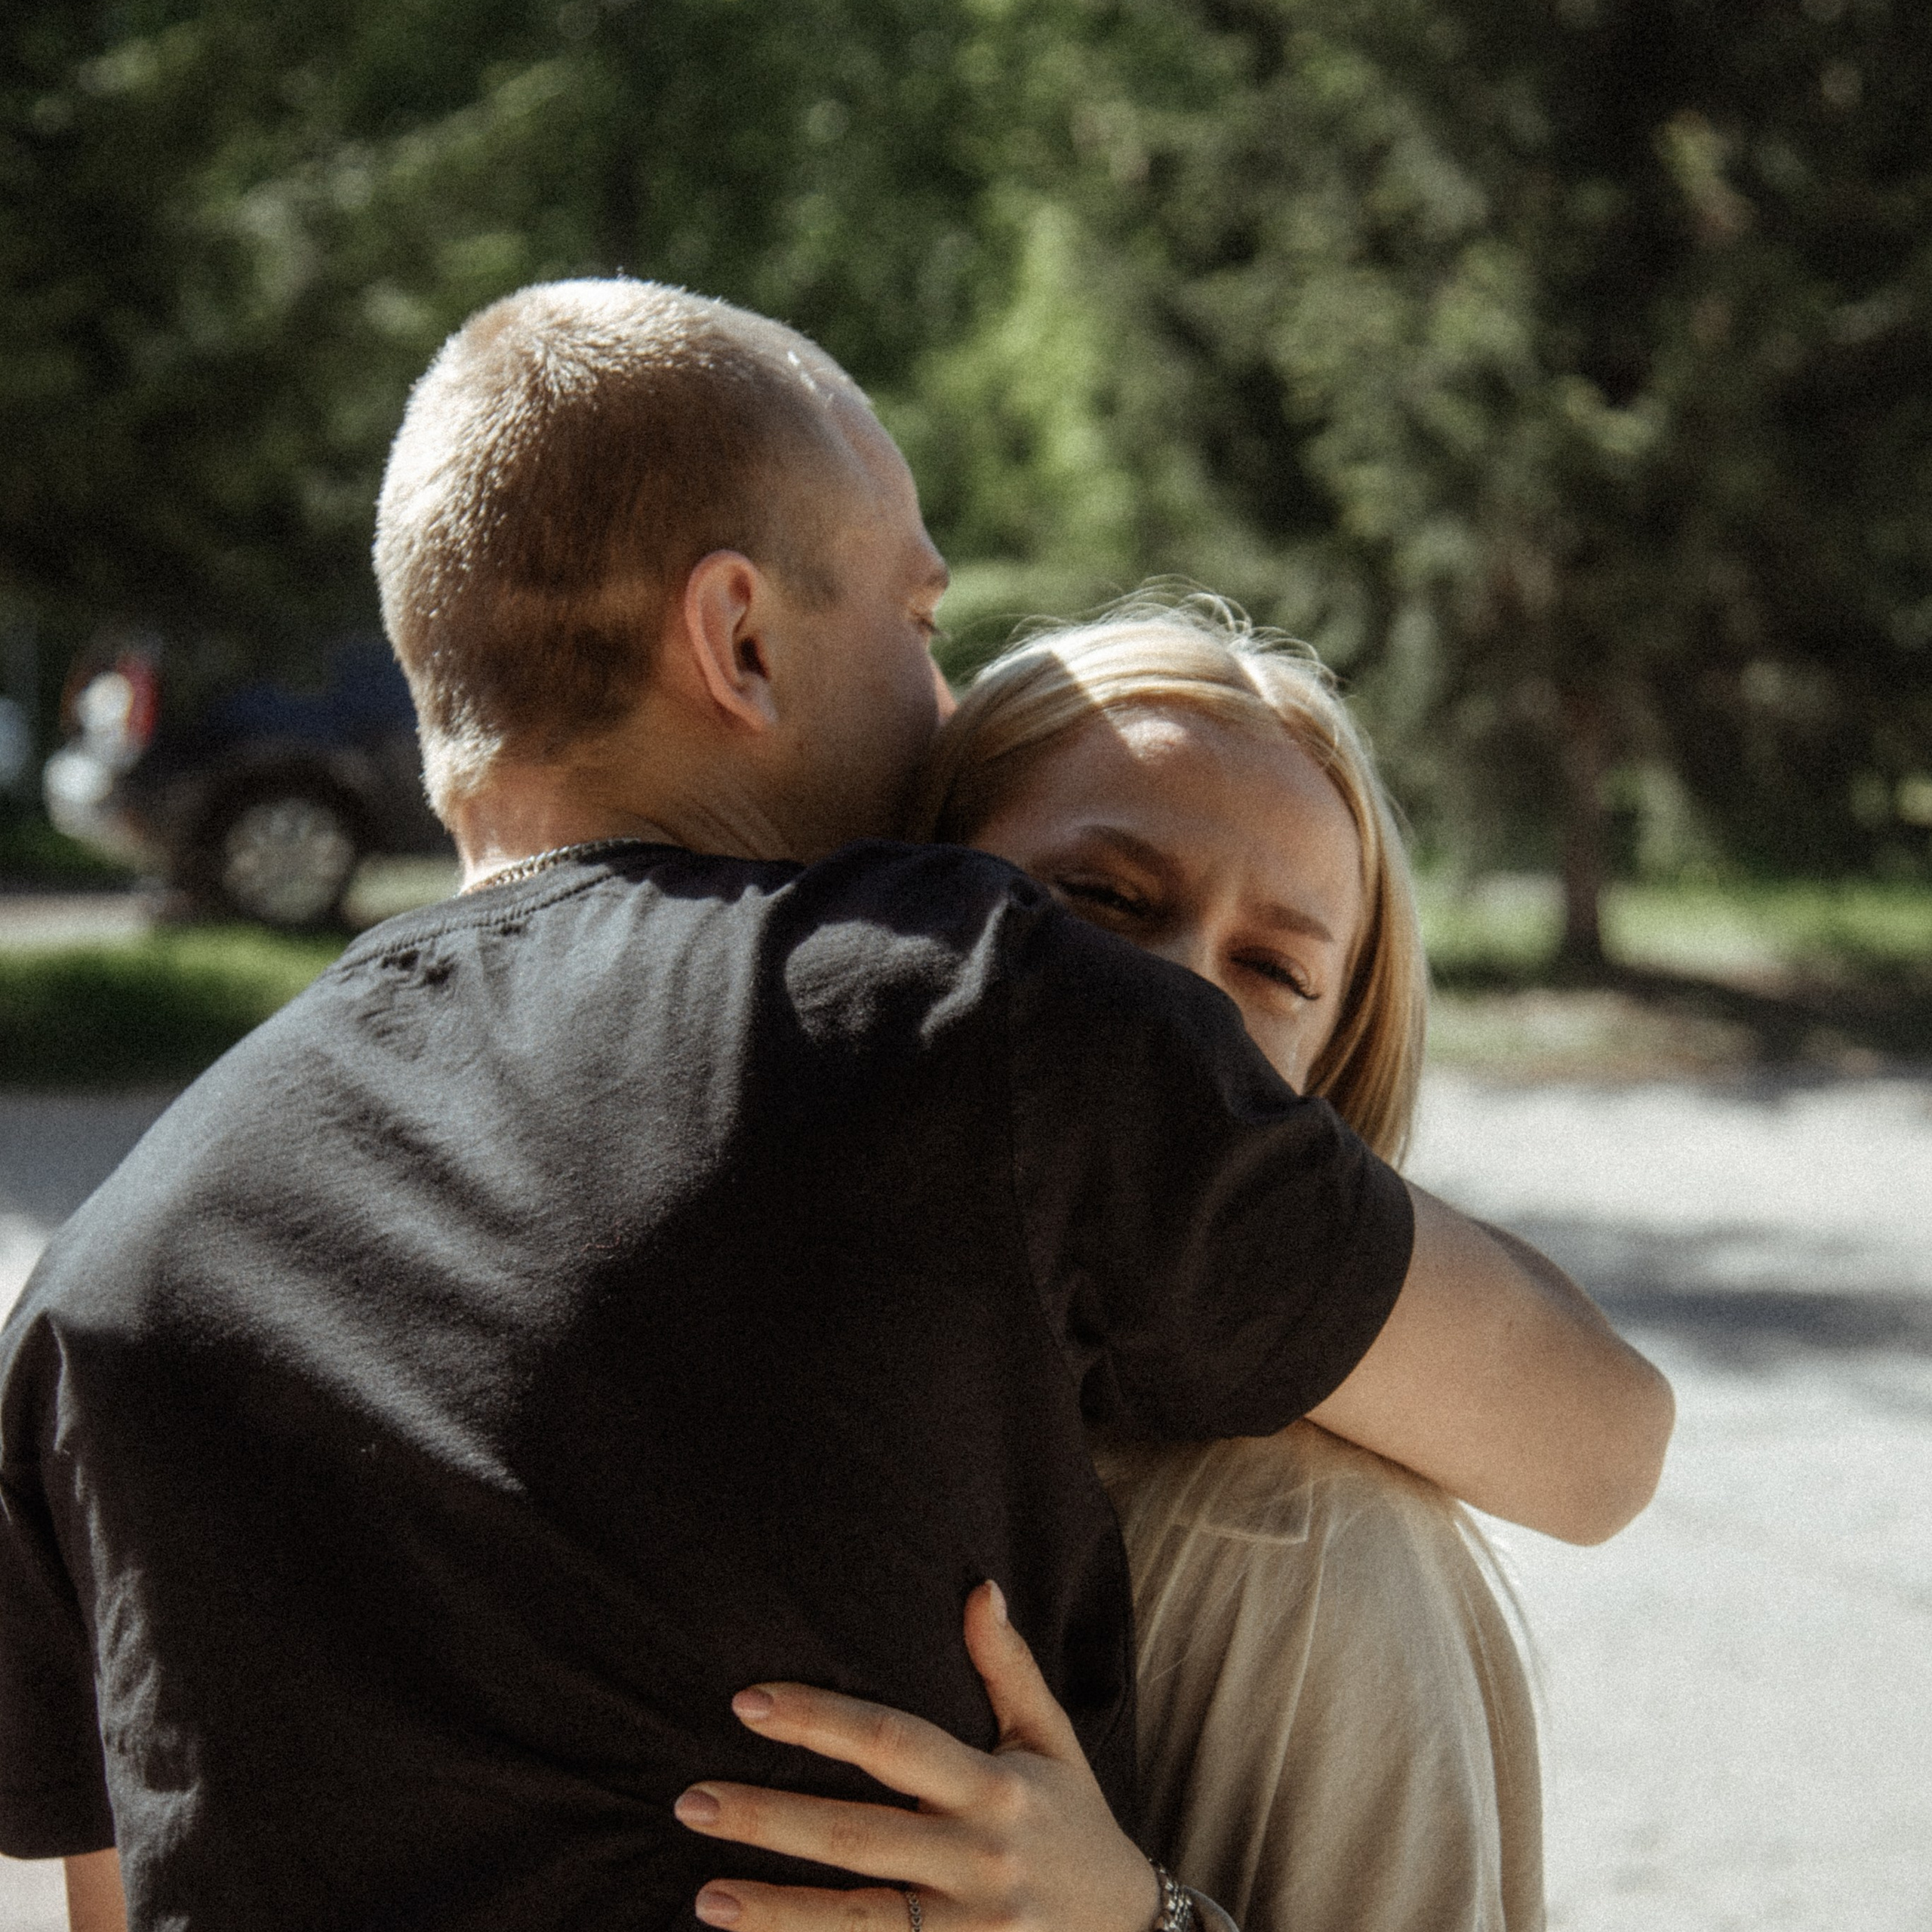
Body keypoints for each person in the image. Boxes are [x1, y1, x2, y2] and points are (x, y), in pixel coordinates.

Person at [0, 281, 1670, 1931]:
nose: (940, 700)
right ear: (739, 637)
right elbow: (1594, 1441)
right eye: (920, 620)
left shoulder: (105, 1279)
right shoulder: (964, 1015)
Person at [672, 605, 1571, 1932]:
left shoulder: (1303, 1547)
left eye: (1272, 968)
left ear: (1333, 1083)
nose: (1179, 1012)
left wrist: (1138, 1920)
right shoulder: (716, 1348)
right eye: (1098, 900)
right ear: (902, 900)